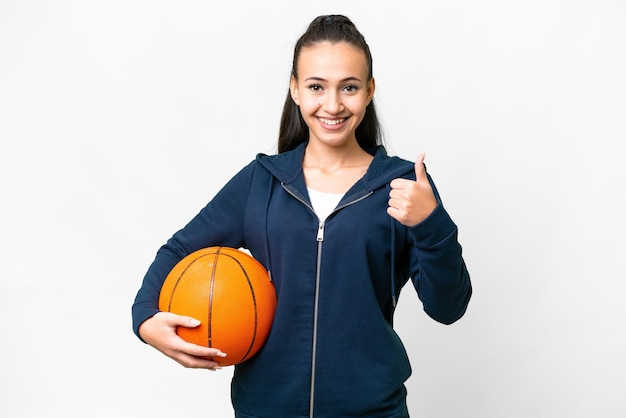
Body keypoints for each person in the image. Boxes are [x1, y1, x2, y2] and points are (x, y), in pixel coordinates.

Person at [132, 14, 472, 418]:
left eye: (349, 87)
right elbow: (180, 249)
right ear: (295, 89)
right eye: (316, 87)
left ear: (369, 90)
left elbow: (448, 307)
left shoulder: (402, 185)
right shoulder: (262, 181)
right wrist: (145, 318)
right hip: (266, 408)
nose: (333, 105)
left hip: (373, 411)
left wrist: (431, 224)